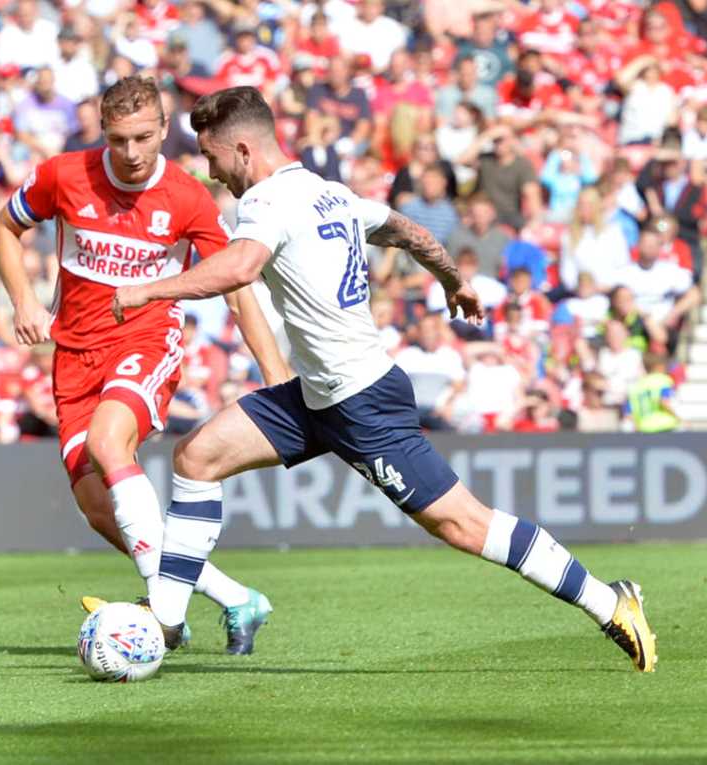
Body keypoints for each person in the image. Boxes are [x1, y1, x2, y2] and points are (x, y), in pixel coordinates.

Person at [112, 86, 657, 672]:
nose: (215, 174)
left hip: (362, 402)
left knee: (463, 524)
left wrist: (147, 289)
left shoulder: (266, 202)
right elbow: (409, 231)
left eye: (215, 160)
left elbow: (240, 267)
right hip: (318, 395)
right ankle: (165, 621)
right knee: (197, 458)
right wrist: (454, 280)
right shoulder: (329, 194)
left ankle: (610, 602)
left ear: (242, 150)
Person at [0, 76, 290, 654]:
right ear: (103, 130)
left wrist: (273, 371)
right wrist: (24, 299)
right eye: (119, 139)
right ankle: (236, 599)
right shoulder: (63, 175)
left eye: (144, 138)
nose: (131, 153)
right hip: (74, 354)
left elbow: (235, 286)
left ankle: (161, 613)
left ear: (164, 128)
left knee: (110, 444)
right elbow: (5, 227)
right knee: (98, 509)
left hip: (146, 341)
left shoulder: (186, 196)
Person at [626, 351, 678, 433]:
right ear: (659, 366)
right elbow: (664, 402)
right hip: (664, 426)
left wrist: (637, 426)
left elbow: (629, 413)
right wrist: (678, 417)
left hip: (643, 429)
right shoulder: (663, 380)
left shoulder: (635, 386)